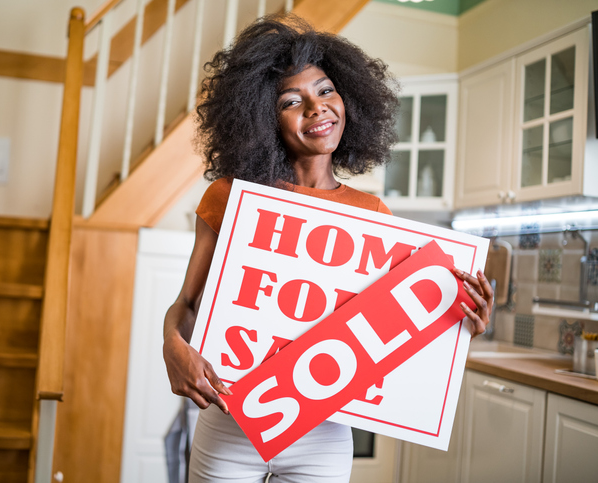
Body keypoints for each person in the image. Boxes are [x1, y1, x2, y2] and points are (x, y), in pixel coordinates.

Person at [163, 14, 493, 482]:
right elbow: (188, 306)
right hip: (231, 419)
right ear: (262, 118)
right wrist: (171, 343)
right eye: (291, 101)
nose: (316, 109)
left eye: (325, 91)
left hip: (325, 433)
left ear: (347, 99)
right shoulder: (229, 197)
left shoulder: (372, 213)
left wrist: (456, 328)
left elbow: (389, 333)